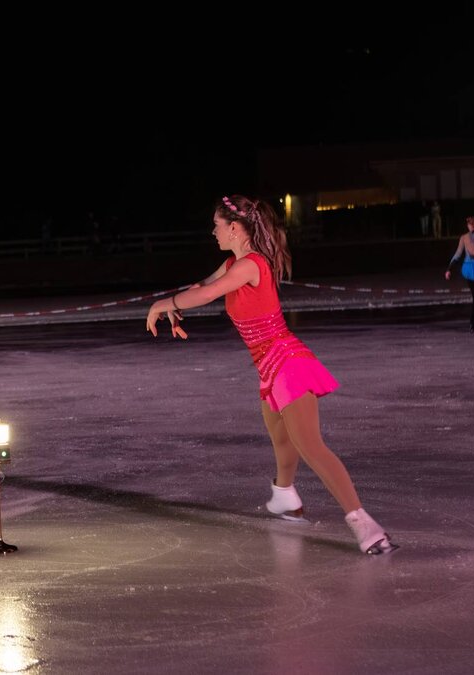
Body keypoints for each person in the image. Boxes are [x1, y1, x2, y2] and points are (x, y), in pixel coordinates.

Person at [145, 194, 397, 555]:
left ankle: (367, 527)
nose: (212, 232)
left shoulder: (250, 266)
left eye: (216, 225)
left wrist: (162, 304)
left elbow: (210, 294)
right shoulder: (235, 262)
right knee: (282, 440)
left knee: (311, 447)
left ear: (234, 228)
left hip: (286, 363)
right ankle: (284, 495)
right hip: (270, 367)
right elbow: (203, 286)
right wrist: (175, 305)